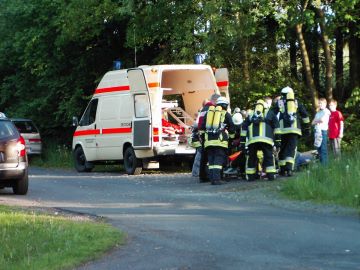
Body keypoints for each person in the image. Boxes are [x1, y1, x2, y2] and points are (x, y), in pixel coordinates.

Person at [240, 99, 281, 181]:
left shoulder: (251, 114)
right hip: (267, 140)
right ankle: (271, 176)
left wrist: (243, 143)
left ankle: (251, 177)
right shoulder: (269, 113)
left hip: (252, 141)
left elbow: (243, 128)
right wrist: (277, 141)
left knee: (252, 157)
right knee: (269, 156)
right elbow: (277, 127)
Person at [273, 87, 310, 176]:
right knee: (291, 149)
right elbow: (305, 115)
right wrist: (307, 128)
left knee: (283, 149)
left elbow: (273, 115)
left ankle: (282, 169)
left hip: (282, 130)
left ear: (282, 94)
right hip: (294, 130)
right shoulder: (296, 102)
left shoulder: (280, 102)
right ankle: (289, 169)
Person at [201, 97, 235, 185]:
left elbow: (202, 128)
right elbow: (232, 129)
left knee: (211, 161)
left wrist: (203, 139)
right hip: (220, 142)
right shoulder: (226, 114)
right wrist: (231, 139)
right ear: (225, 105)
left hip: (208, 142)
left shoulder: (209, 113)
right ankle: (217, 180)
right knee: (218, 161)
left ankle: (212, 179)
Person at [198, 93, 220, 182]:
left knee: (203, 156)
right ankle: (210, 176)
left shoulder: (204, 108)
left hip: (202, 134)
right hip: (208, 134)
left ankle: (202, 176)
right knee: (210, 156)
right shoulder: (211, 109)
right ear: (215, 100)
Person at [312, 98, 331, 165]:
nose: (320, 104)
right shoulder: (318, 112)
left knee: (323, 149)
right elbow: (312, 122)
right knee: (318, 148)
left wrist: (316, 120)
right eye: (319, 103)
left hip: (323, 131)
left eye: (321, 103)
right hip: (317, 131)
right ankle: (321, 165)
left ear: (325, 104)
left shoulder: (327, 111)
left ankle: (325, 166)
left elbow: (322, 120)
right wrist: (318, 120)